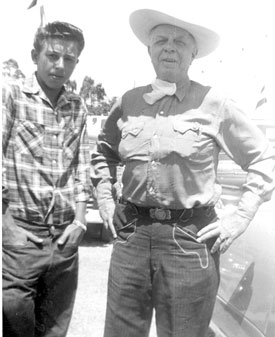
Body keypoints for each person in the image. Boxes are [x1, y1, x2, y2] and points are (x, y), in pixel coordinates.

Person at [91, 8, 275, 337]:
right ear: (149, 50)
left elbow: (264, 159)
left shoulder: (216, 104)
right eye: (161, 40)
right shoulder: (129, 102)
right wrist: (105, 203)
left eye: (180, 42)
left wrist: (237, 218)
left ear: (193, 53)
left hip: (188, 241)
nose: (170, 47)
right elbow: (103, 152)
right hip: (131, 236)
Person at [2, 21, 91, 337]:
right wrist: (6, 225)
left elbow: (82, 167)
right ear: (34, 55)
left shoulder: (77, 106)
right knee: (16, 324)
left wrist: (80, 222)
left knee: (54, 330)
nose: (60, 65)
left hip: (65, 239)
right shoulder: (11, 95)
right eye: (52, 55)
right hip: (21, 237)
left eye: (69, 59)